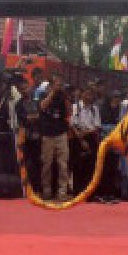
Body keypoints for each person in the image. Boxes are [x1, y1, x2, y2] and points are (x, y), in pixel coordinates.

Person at [36, 73, 72, 201]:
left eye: (60, 83)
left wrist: (65, 95)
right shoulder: (43, 94)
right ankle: (46, 190)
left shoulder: (63, 96)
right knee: (47, 164)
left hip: (61, 133)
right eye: (57, 83)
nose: (59, 85)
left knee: (63, 164)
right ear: (51, 84)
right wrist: (52, 93)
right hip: (47, 134)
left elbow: (69, 112)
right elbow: (42, 106)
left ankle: (62, 191)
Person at [70, 88, 102, 194]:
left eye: (90, 94)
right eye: (86, 93)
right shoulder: (75, 107)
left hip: (91, 136)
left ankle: (89, 192)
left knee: (91, 165)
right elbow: (72, 124)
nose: (88, 96)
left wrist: (86, 133)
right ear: (82, 94)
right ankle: (77, 190)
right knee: (78, 165)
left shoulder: (94, 109)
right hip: (78, 136)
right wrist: (80, 137)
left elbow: (97, 126)